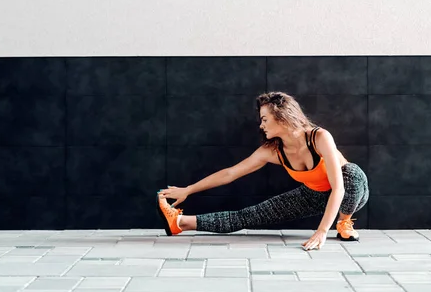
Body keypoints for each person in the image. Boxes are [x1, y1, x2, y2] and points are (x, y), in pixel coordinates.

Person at [156, 91, 369, 251]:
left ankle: (344, 222)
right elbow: (230, 173)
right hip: (315, 195)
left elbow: (339, 188)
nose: (261, 125)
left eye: (265, 119)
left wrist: (322, 231)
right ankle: (180, 223)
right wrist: (189, 190)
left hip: (350, 194)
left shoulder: (319, 137)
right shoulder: (272, 151)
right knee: (248, 215)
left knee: (351, 173)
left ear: (283, 117)